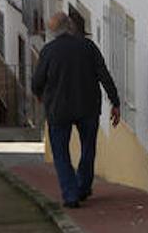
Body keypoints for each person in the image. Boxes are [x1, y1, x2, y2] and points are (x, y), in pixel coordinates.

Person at [31, 12, 121, 208]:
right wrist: (115, 102)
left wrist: (39, 95)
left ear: (53, 31)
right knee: (88, 148)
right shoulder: (88, 47)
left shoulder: (49, 51)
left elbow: (37, 81)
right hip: (88, 106)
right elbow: (104, 75)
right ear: (70, 26)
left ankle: (71, 195)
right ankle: (83, 187)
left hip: (58, 109)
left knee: (61, 153)